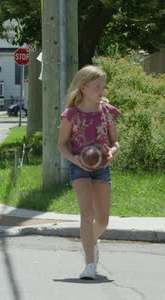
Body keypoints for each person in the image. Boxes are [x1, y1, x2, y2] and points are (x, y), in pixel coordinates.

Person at [58, 65, 121, 280]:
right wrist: (74, 159)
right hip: (79, 167)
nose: (101, 91)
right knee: (87, 214)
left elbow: (115, 142)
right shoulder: (71, 115)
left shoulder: (108, 112)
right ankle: (89, 264)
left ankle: (90, 240)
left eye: (102, 86)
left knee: (102, 221)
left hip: (102, 168)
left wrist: (112, 152)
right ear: (83, 87)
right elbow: (62, 145)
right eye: (97, 87)